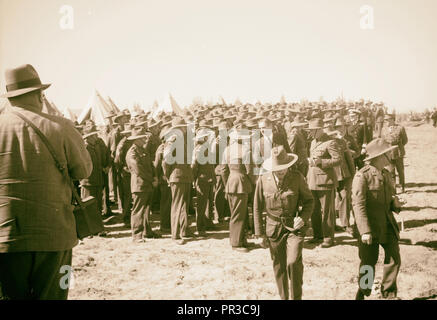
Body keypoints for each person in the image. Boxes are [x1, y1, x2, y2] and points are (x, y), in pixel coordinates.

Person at [0, 64, 92, 300]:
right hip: (55, 234)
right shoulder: (60, 126)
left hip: (6, 237)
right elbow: (83, 170)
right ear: (40, 95)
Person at [254, 146, 314, 300]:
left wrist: (303, 217)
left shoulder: (297, 177)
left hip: (294, 228)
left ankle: (296, 297)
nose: (281, 171)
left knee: (293, 262)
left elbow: (309, 201)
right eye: (277, 168)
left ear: (289, 165)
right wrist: (259, 233)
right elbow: (257, 207)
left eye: (284, 168)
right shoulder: (263, 180)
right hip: (273, 229)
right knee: (279, 267)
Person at [352, 139, 405, 300]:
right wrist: (365, 231)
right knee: (368, 262)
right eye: (386, 153)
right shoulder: (363, 176)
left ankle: (389, 294)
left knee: (394, 257)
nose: (390, 155)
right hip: (370, 226)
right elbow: (358, 205)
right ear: (379, 157)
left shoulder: (387, 174)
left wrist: (396, 204)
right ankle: (364, 290)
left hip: (388, 224)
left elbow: (389, 200)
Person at [306, 118, 341, 248]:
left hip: (326, 181)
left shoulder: (331, 142)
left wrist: (321, 162)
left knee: (327, 211)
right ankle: (318, 235)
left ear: (320, 129)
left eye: (313, 130)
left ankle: (328, 238)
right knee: (314, 210)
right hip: (312, 180)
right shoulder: (313, 142)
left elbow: (338, 160)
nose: (311, 133)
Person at [162, 118, 194, 245]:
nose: (185, 129)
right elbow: (166, 160)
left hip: (185, 175)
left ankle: (184, 229)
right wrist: (168, 175)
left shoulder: (183, 140)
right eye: (183, 127)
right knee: (177, 205)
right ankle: (175, 234)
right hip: (177, 175)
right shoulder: (172, 140)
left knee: (185, 204)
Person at [222, 126, 253, 252]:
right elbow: (249, 170)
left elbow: (223, 170)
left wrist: (226, 185)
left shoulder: (227, 150)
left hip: (230, 181)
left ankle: (241, 239)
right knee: (239, 214)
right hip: (241, 182)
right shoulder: (245, 150)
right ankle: (236, 243)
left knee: (236, 212)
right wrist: (251, 183)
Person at [125, 127, 159, 242]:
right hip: (139, 185)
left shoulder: (143, 150)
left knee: (146, 210)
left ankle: (147, 231)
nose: (145, 139)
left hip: (147, 183)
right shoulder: (132, 152)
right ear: (136, 139)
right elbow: (138, 170)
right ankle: (137, 235)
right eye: (142, 138)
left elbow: (150, 165)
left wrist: (154, 177)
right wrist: (151, 179)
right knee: (138, 210)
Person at [381, 114, 408, 193]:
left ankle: (402, 187)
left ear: (392, 120)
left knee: (400, 171)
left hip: (398, 153)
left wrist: (398, 146)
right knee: (391, 172)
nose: (386, 122)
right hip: (388, 153)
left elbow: (405, 140)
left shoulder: (400, 128)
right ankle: (393, 189)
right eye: (385, 120)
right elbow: (382, 140)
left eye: (387, 120)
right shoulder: (383, 129)